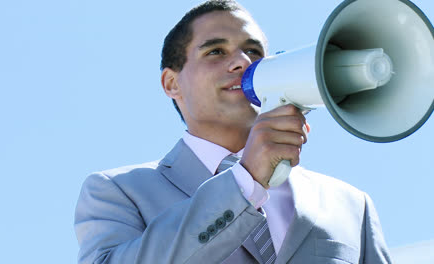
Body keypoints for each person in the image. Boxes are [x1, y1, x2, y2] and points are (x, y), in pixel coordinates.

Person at [74, 1, 392, 263]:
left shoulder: (352, 205)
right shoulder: (118, 192)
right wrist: (245, 181)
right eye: (215, 52)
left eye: (254, 52)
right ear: (172, 83)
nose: (242, 62)